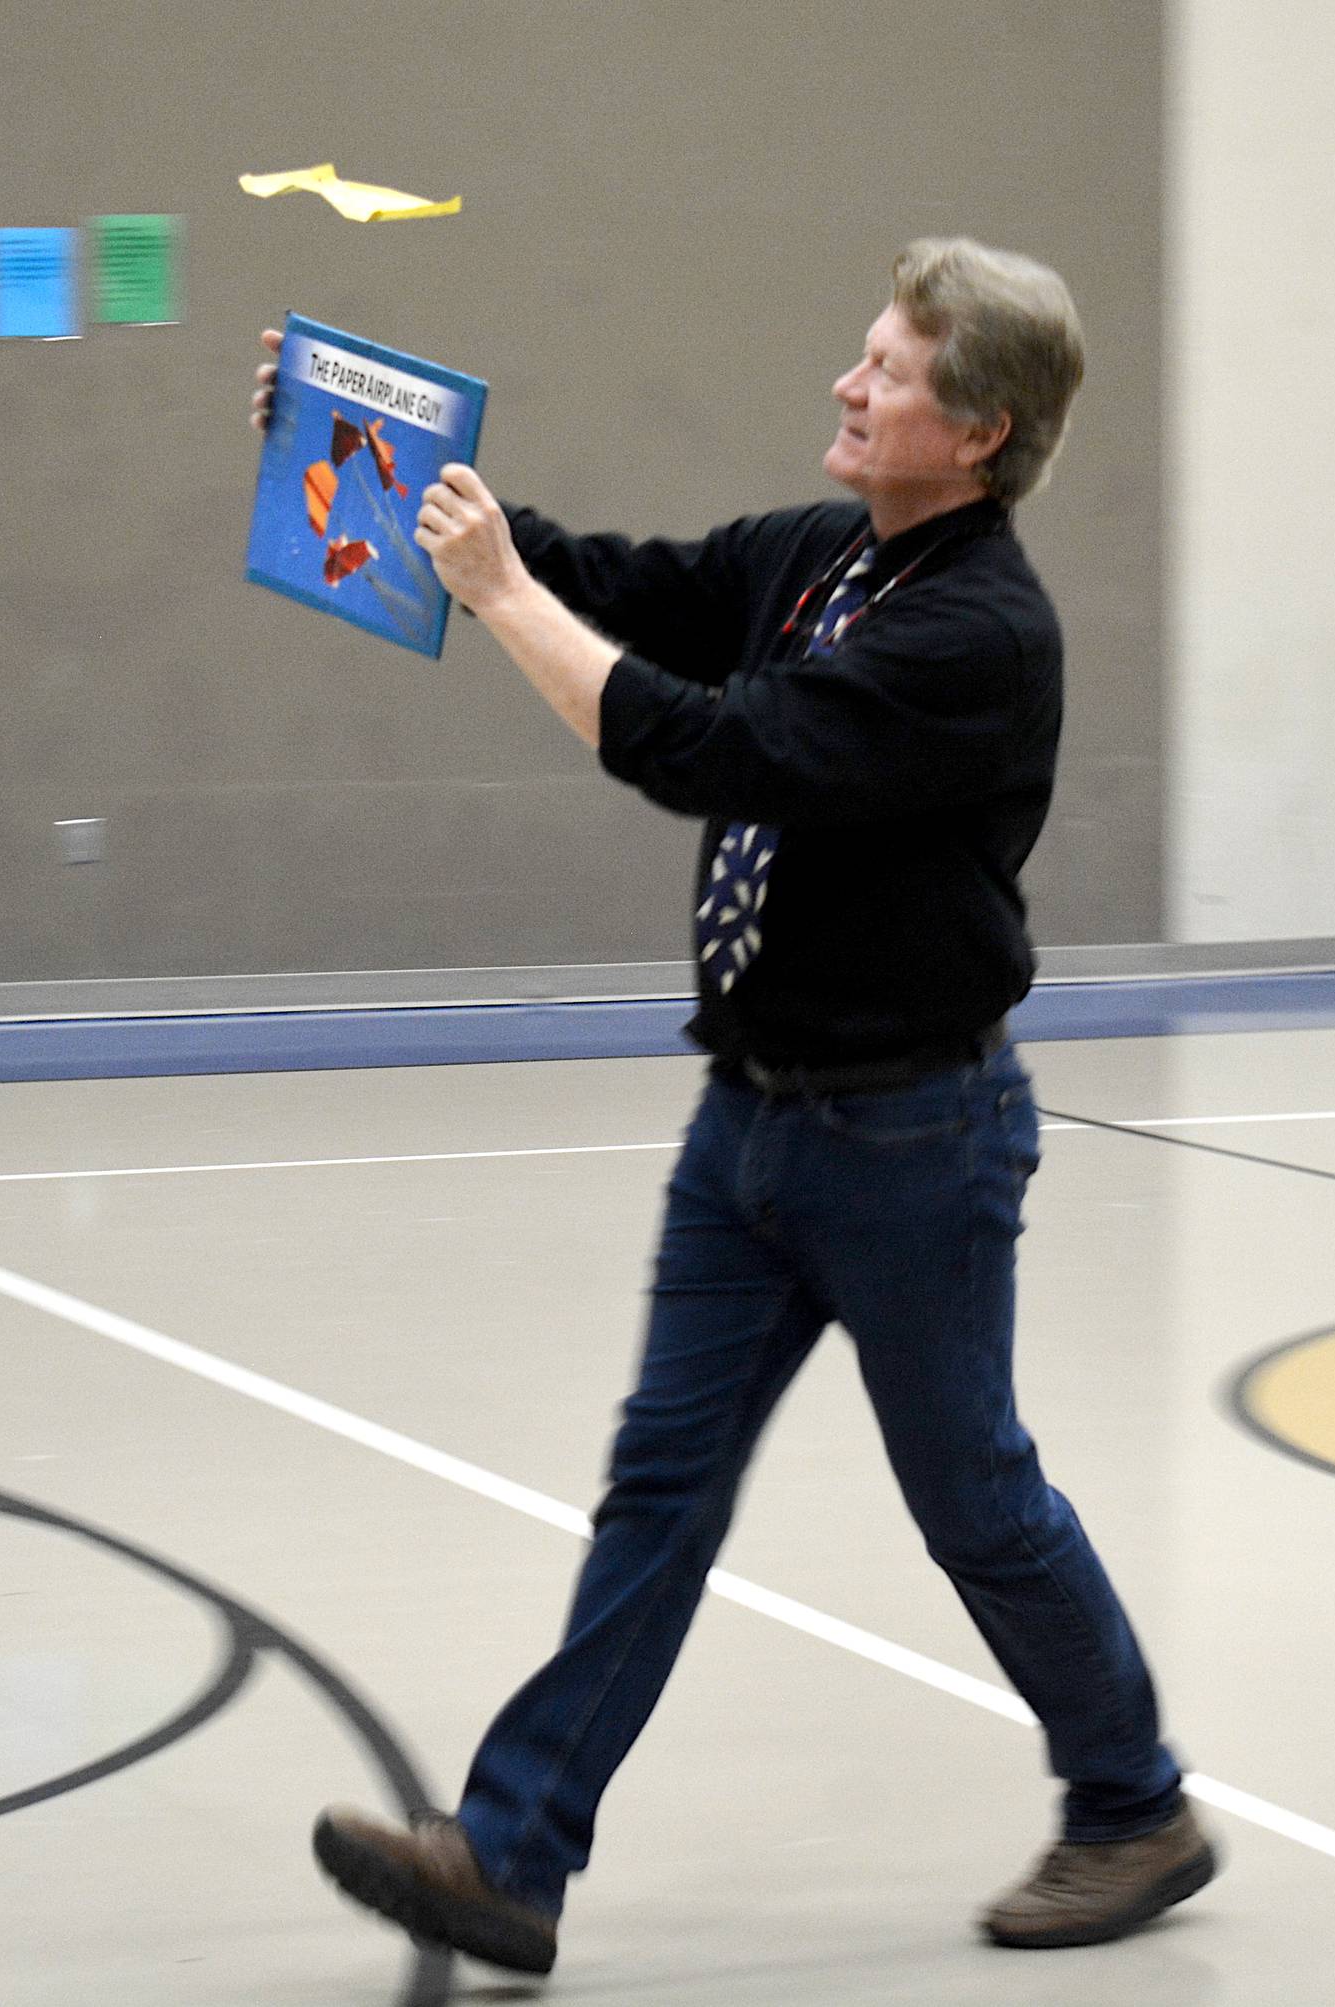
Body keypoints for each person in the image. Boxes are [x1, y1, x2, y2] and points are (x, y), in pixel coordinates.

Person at [250, 236, 1218, 1975]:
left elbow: (704, 750)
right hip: (752, 1125)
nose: (848, 389)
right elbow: (608, 576)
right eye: (861, 358)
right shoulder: (820, 556)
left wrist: (499, 602)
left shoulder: (977, 637)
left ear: (978, 430)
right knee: (660, 1490)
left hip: (910, 1141)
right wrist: (359, 452)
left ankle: (1133, 1803)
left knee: (977, 1503)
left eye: (889, 374)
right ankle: (511, 1856)